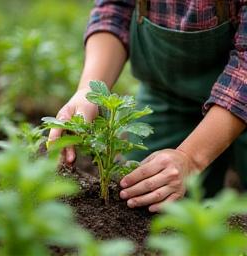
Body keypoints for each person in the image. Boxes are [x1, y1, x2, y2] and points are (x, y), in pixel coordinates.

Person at [49, 0, 247, 212]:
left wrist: (190, 159)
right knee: (142, 198)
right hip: (168, 95)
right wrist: (89, 92)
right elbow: (115, 8)